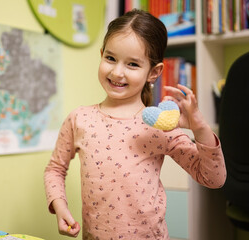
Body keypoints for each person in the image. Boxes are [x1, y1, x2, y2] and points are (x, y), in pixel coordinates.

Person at [44, 9, 226, 240]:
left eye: (132, 64)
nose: (117, 72)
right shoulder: (79, 118)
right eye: (110, 58)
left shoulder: (160, 126)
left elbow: (214, 178)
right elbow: (55, 169)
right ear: (101, 55)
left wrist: (199, 128)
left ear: (154, 72)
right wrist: (60, 208)